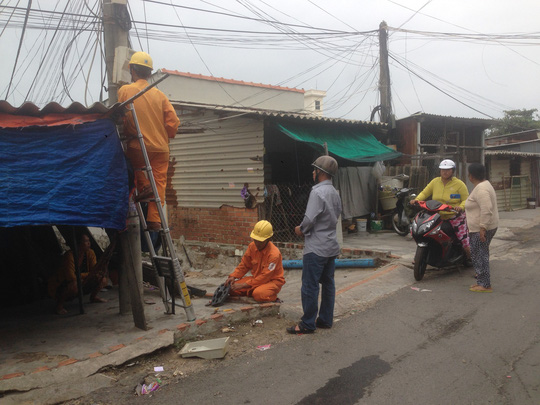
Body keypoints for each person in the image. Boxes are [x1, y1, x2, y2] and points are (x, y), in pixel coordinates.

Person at [118, 51, 180, 231]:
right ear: (150, 73)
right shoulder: (160, 95)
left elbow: (119, 115)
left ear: (132, 70)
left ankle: (144, 187)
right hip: (161, 148)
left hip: (138, 146)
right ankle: (154, 220)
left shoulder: (125, 91)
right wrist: (165, 133)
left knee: (134, 167)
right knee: (159, 181)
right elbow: (174, 123)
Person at [287, 156, 342, 334]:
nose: (312, 172)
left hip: (316, 248)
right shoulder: (334, 192)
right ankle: (325, 319)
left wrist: (300, 229)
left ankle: (307, 323)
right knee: (328, 283)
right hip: (330, 245)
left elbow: (309, 219)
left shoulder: (317, 192)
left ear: (321, 172)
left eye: (314, 169)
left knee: (310, 285)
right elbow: (337, 214)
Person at [410, 159, 472, 263]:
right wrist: (417, 200)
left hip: (454, 216)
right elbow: (425, 193)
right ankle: (421, 256)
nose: (445, 172)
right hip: (436, 215)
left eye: (448, 170)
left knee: (464, 240)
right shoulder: (435, 182)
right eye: (443, 169)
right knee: (424, 232)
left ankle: (471, 258)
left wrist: (460, 207)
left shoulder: (459, 184)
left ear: (453, 171)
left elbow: (466, 200)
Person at [224, 220, 285, 302]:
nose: (257, 243)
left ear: (268, 239)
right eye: (255, 240)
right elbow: (244, 265)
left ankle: (271, 296)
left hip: (272, 281)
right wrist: (233, 276)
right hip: (256, 279)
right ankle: (253, 290)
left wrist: (243, 285)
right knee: (231, 289)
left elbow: (265, 277)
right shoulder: (252, 246)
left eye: (260, 241)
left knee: (259, 295)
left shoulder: (274, 254)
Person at [48, 233, 108, 315]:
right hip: (64, 284)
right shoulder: (69, 256)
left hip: (82, 280)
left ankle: (93, 297)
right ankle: (59, 306)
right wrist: (88, 275)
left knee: (102, 279)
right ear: (79, 244)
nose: (89, 243)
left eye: (89, 241)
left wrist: (97, 272)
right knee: (74, 285)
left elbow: (94, 270)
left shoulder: (90, 253)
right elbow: (70, 277)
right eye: (86, 241)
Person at [465, 163, 499, 292]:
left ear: (471, 176)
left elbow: (486, 209)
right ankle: (481, 281)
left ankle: (484, 284)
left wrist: (482, 228)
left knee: (480, 255)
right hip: (484, 227)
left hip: (482, 228)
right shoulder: (484, 185)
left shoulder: (481, 189)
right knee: (480, 254)